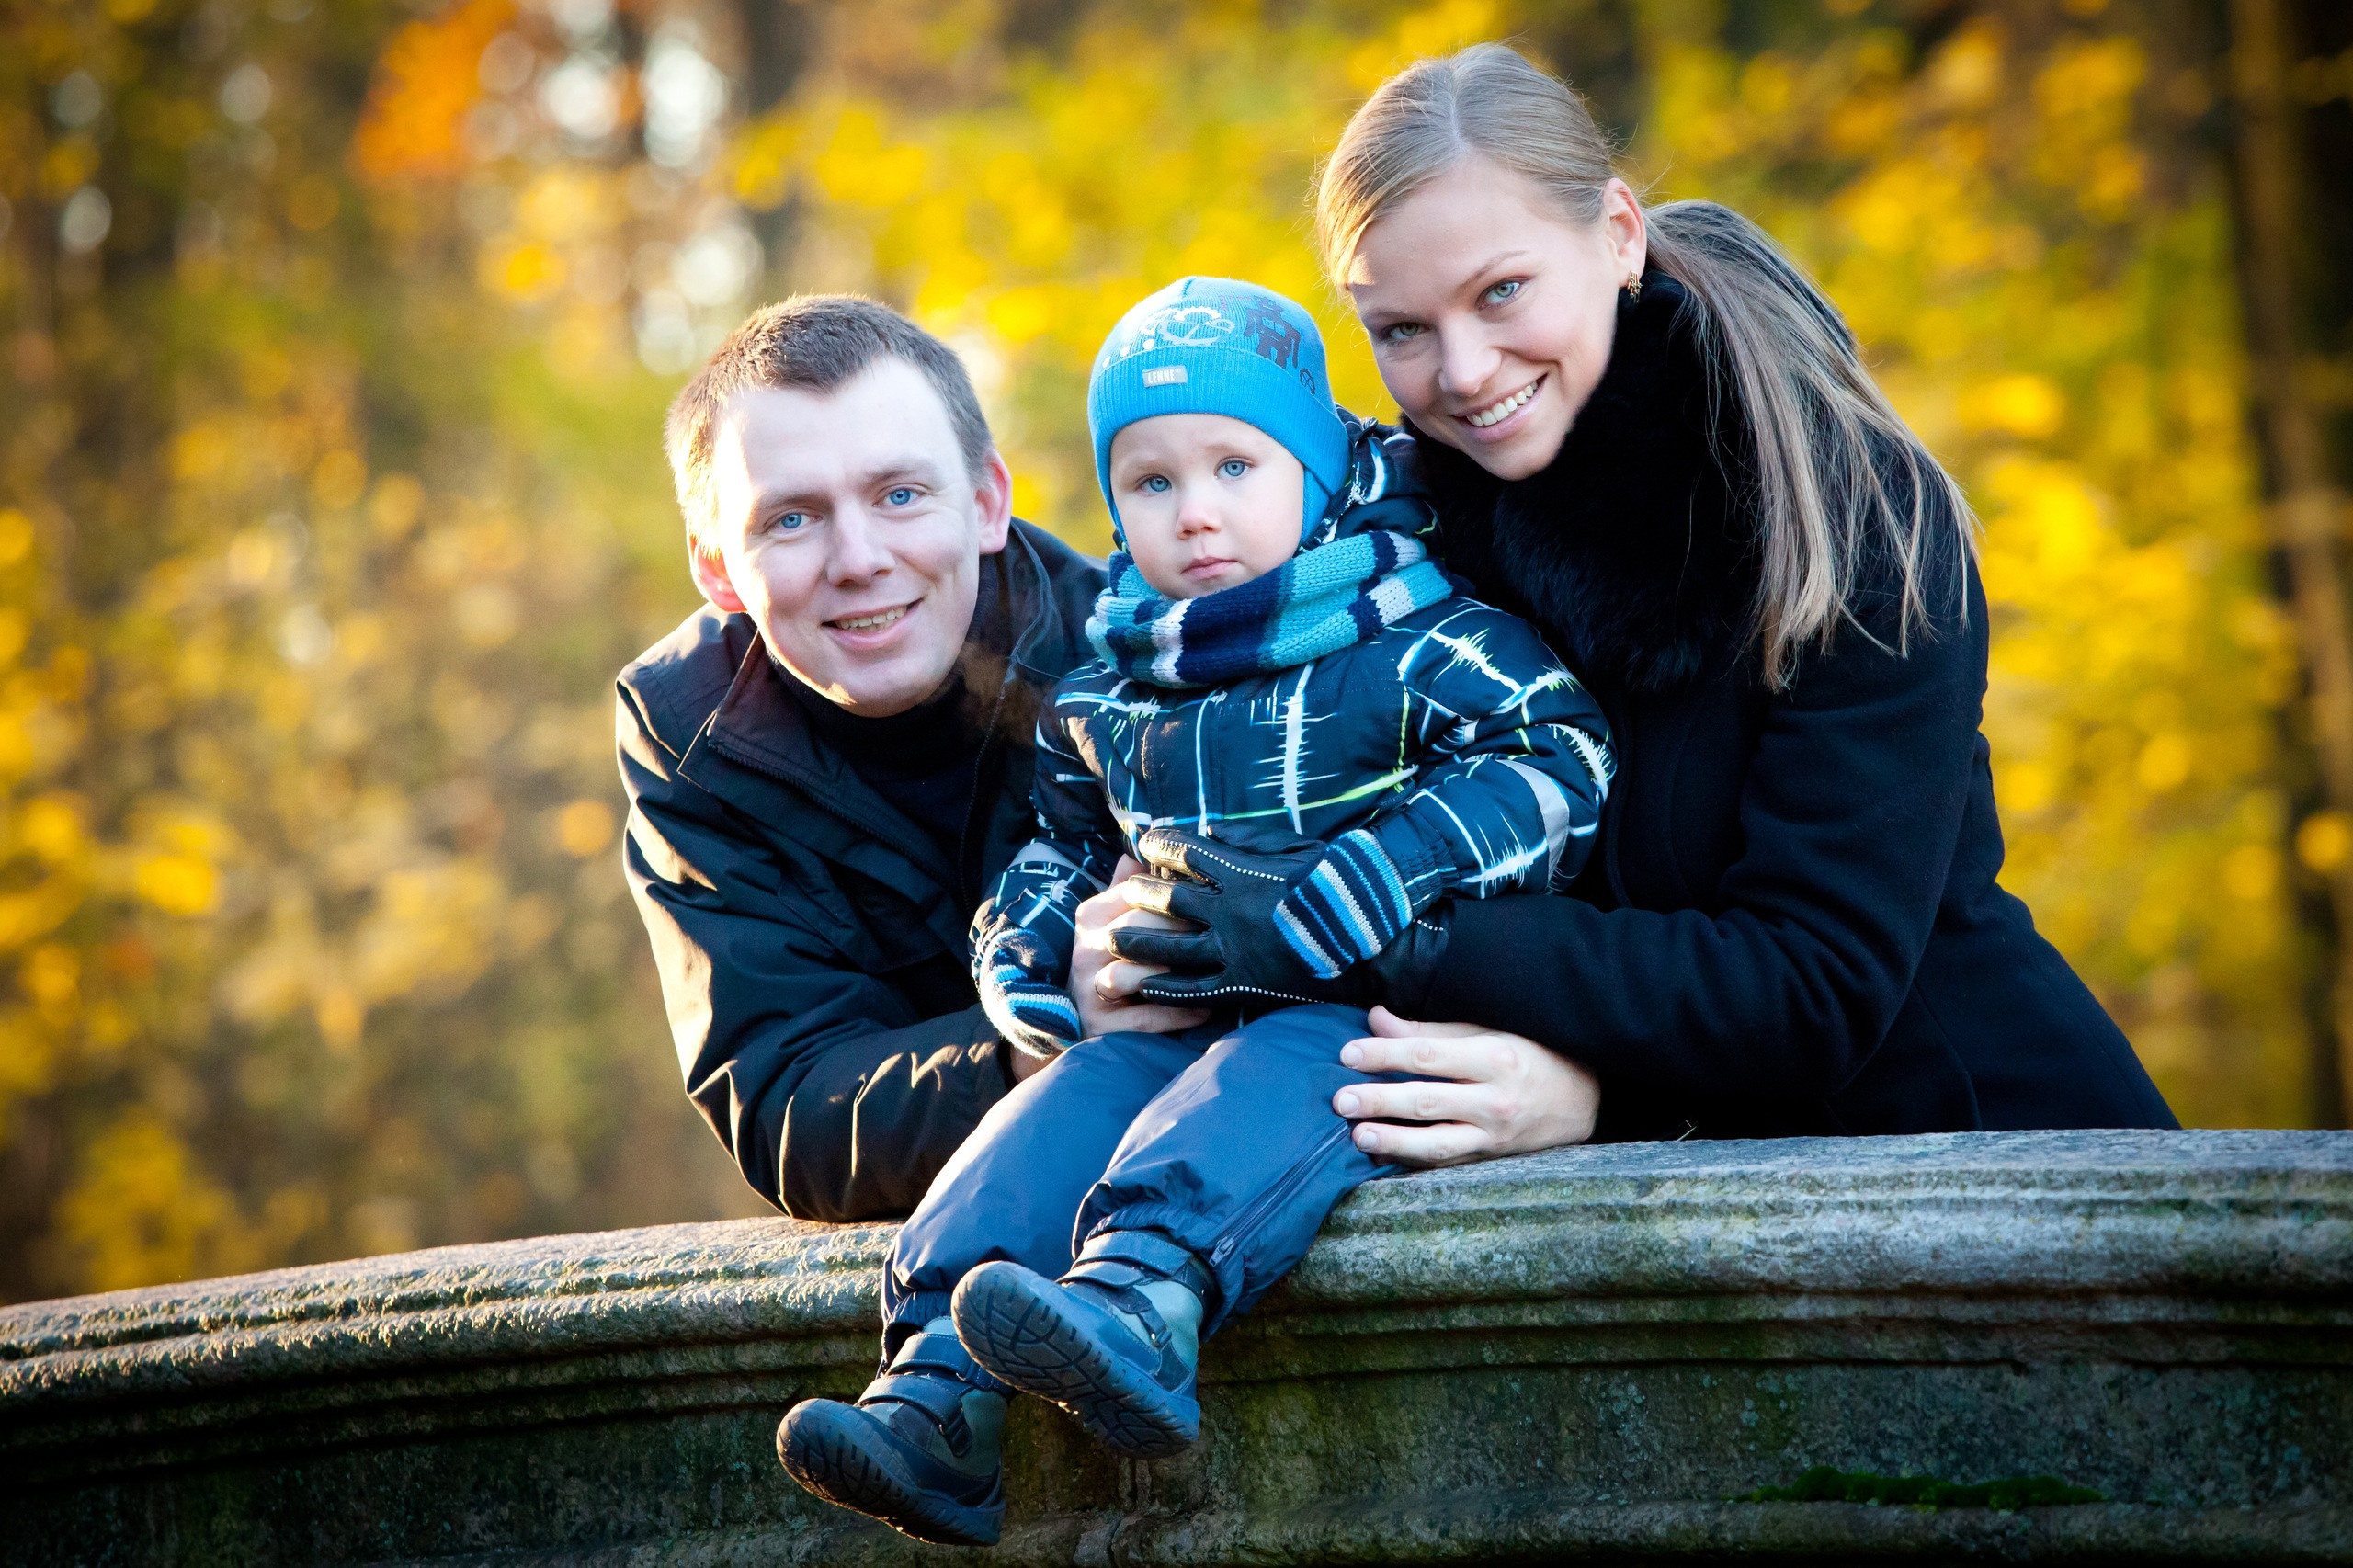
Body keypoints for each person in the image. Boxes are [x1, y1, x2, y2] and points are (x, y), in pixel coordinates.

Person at [1108, 45, 2178, 1151]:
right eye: (1403, 331)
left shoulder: (1844, 513)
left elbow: (1815, 987)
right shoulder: (1393, 543)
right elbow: (1183, 715)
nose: (1464, 369)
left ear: (1618, 234)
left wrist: (1403, 955)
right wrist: (1134, 927)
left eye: (1501, 291)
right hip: (1667, 1241)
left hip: (1976, 1167)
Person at [774, 278, 1614, 1547]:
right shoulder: (1113, 687)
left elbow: (1559, 757)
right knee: (1055, 1106)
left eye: (1236, 464)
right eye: (1152, 482)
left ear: (1320, 465)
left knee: (1262, 1093)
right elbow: (1057, 846)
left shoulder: (1426, 634)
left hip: (1358, 999)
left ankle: (1144, 1299)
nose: (1198, 512)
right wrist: (1040, 970)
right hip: (1169, 1005)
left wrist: (1373, 880)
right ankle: (934, 1390)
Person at [616, 296, 1105, 1225]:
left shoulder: (1142, 657)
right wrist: (1032, 1043)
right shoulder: (690, 739)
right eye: (792, 518)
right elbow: (789, 1109)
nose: (858, 558)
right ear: (717, 566)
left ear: (987, 500)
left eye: (899, 495)